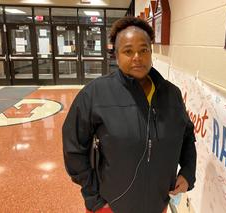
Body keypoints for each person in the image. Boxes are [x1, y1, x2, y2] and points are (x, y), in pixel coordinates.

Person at [62, 17, 196, 213]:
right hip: (110, 206)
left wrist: (187, 173)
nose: (137, 57)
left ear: (151, 52)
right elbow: (73, 148)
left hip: (157, 204)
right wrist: (94, 197)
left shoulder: (171, 94)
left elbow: (187, 138)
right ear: (116, 56)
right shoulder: (95, 94)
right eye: (128, 51)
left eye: (143, 50)